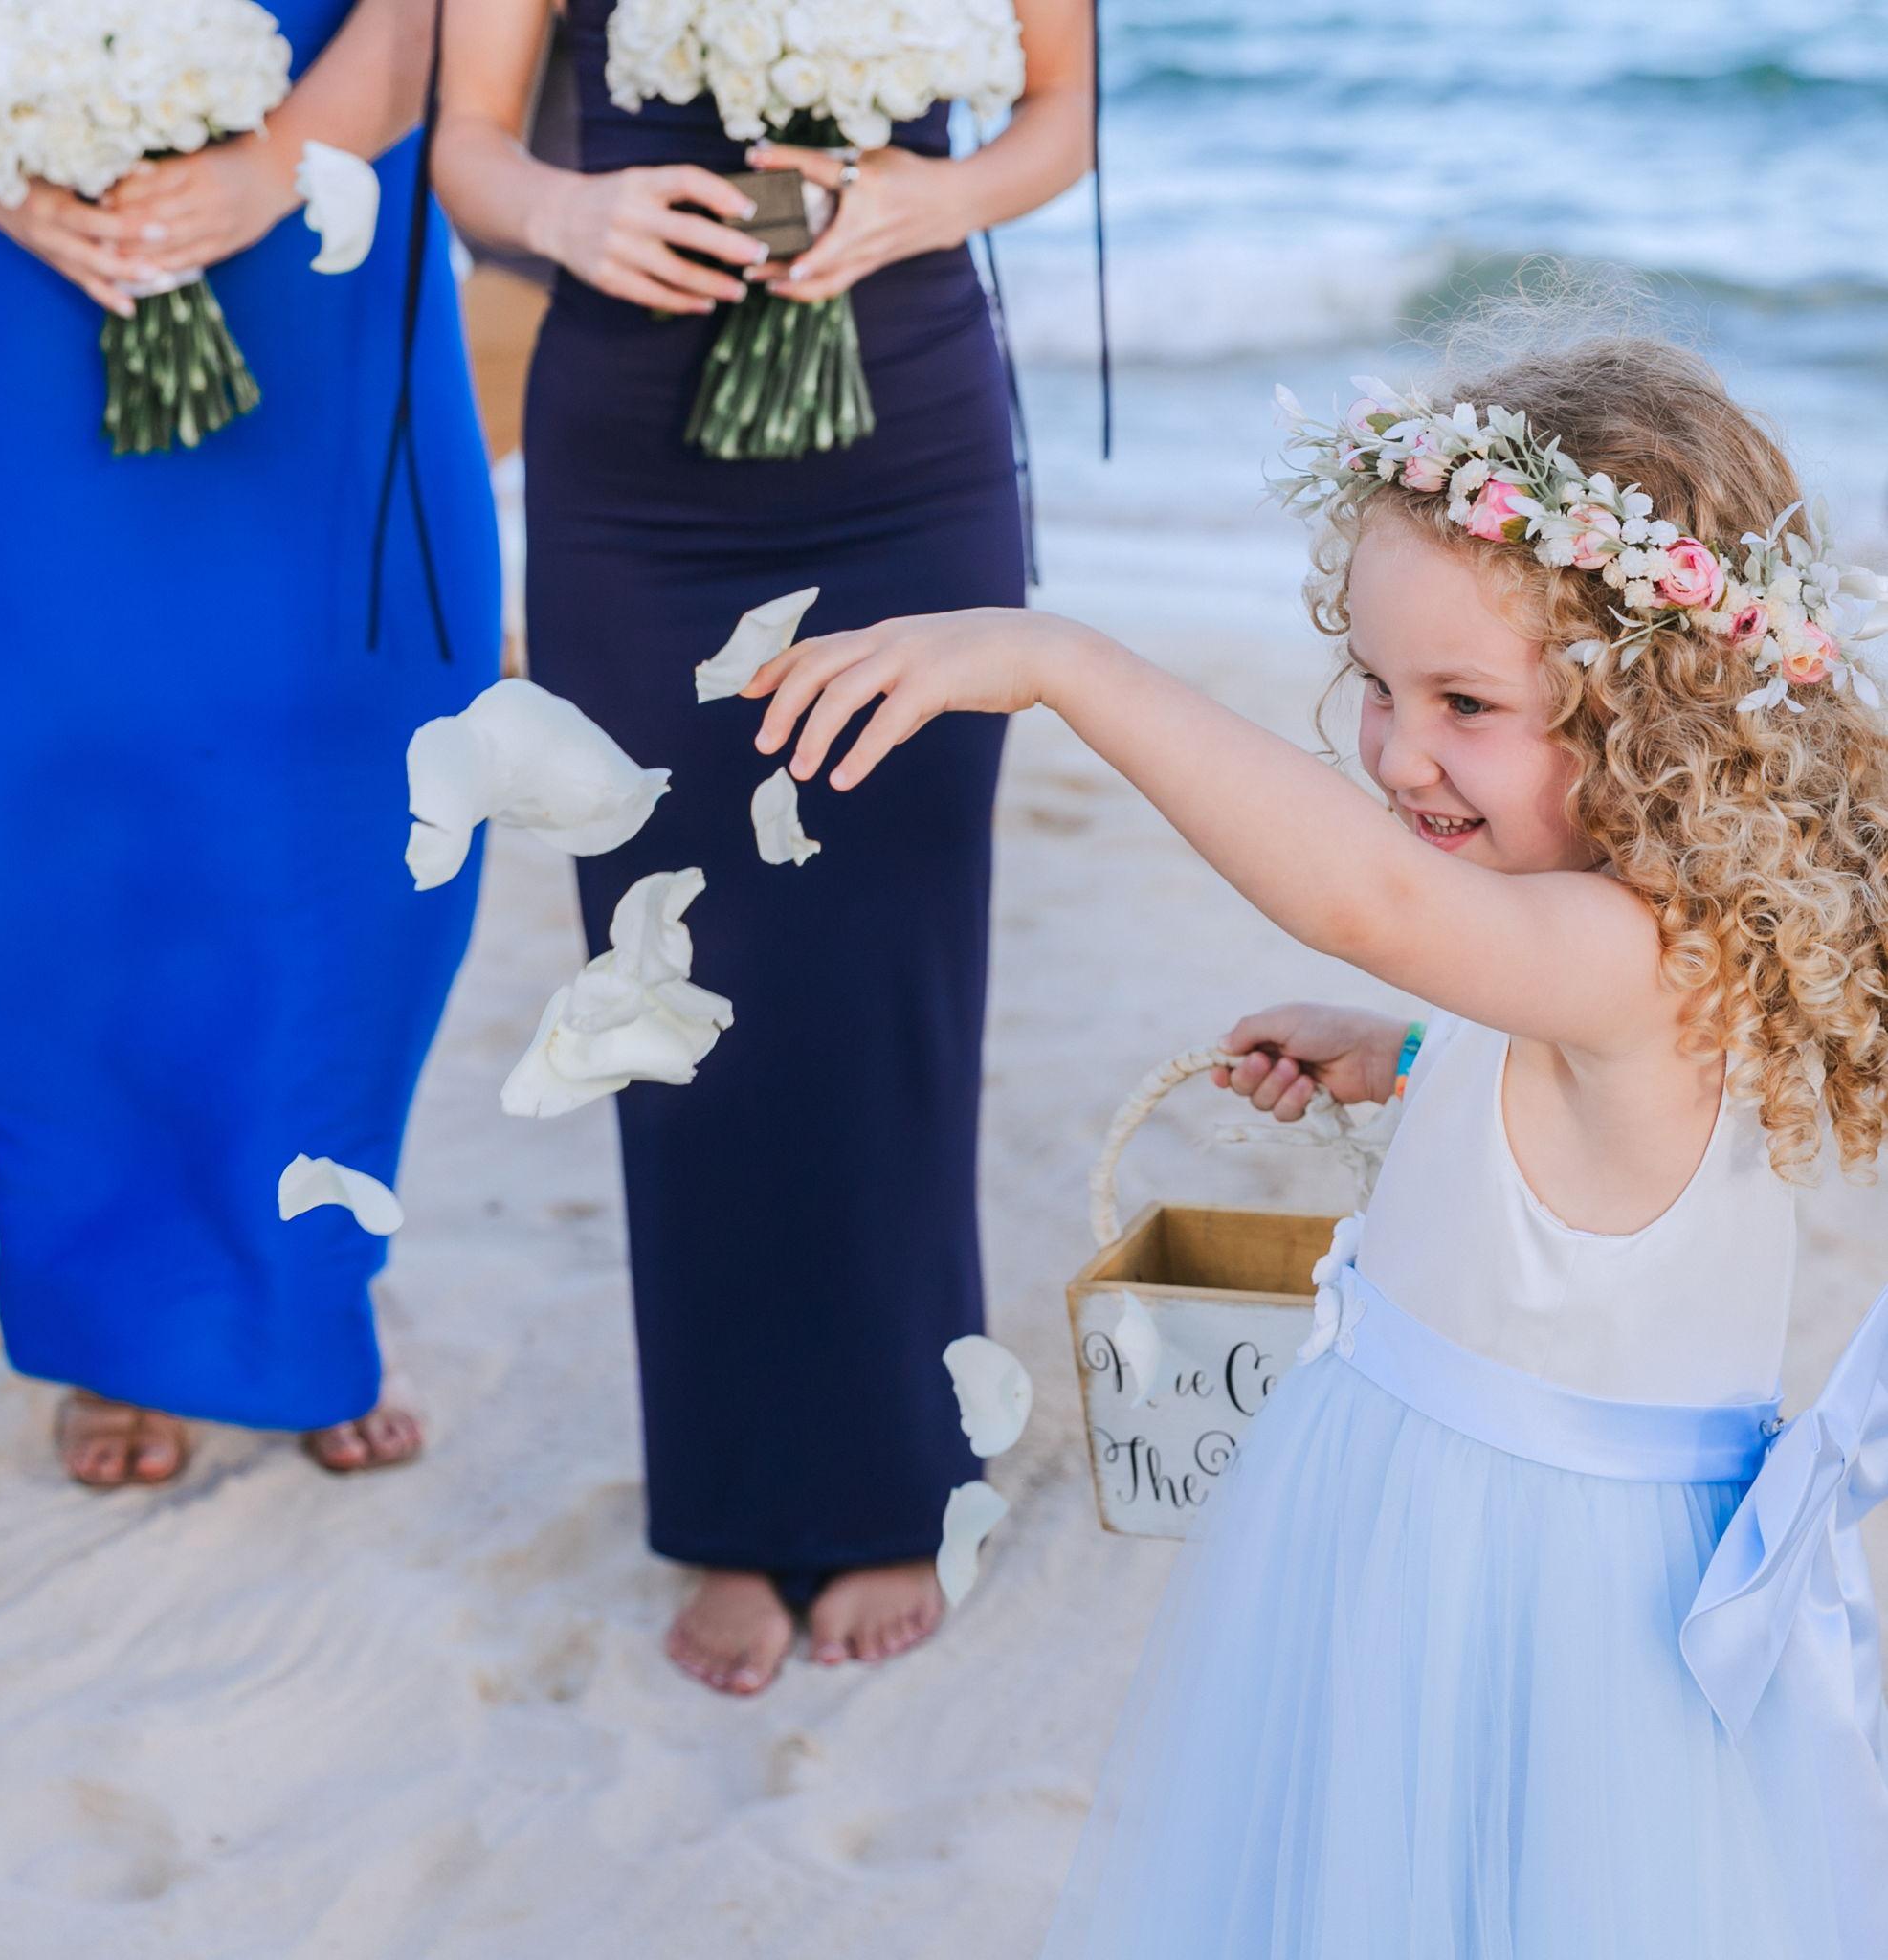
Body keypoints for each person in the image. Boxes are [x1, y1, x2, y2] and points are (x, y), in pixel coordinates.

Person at [745, 321, 1888, 1952]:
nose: (1396, 751)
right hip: (1436, 1510)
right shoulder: (1587, 938)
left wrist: (1064, 662)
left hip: (1525, 1576)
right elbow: (1542, 1073)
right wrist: (1410, 1058)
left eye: (1465, 703)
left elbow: (1363, 894)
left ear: (1656, 710)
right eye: (1371, 682)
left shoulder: (1640, 951)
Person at [432, 0, 1092, 1694]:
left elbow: (1061, 117)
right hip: (634, 468)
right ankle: (728, 1507)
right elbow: (468, 147)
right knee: (668, 962)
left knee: (891, 965)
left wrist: (927, 201)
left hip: (914, 437)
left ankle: (894, 1475)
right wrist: (566, 211)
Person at [0, 0, 499, 1484]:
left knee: (345, 793)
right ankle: (111, 1321)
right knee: (46, 794)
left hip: (322, 223)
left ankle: (306, 1291)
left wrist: (272, 162)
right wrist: (7, 175)